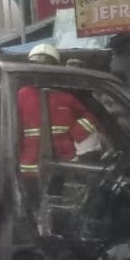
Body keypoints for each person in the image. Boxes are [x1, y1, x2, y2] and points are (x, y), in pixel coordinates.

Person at [17, 44, 98, 178]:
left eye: (46, 66)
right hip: (31, 169)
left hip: (63, 165)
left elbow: (90, 113)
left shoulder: (66, 94)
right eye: (37, 66)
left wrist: (76, 133)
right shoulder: (21, 95)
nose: (41, 70)